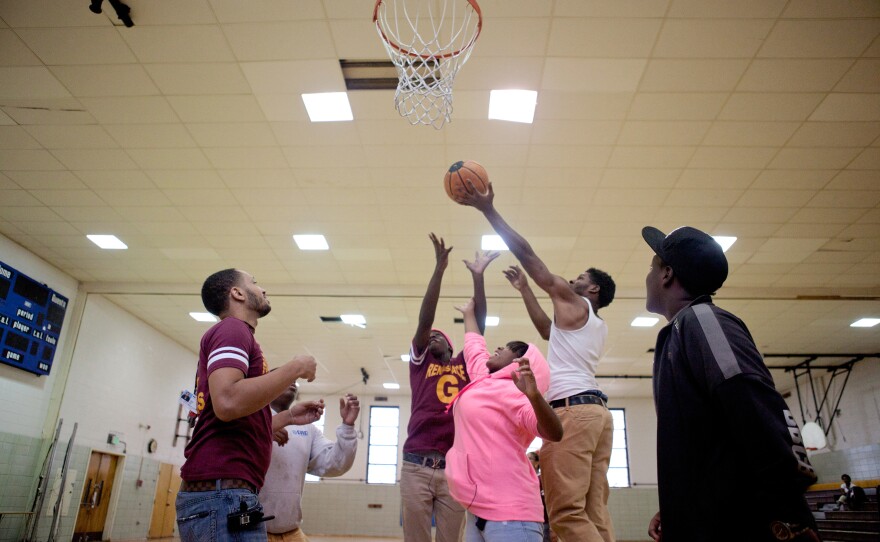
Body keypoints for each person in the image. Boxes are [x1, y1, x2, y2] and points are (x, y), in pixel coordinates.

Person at [459, 182, 617, 542]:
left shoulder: (577, 304)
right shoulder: (594, 325)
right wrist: (525, 291)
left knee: (565, 515)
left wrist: (488, 211)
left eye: (581, 278)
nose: (572, 279)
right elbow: (548, 330)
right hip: (598, 414)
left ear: (592, 291)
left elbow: (532, 260)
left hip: (571, 411)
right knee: (594, 511)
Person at [641, 226, 820, 542]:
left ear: (667, 274)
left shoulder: (704, 322)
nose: (648, 276)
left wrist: (791, 515)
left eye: (651, 267)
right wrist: (677, 507)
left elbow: (757, 406)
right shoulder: (682, 330)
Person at [177, 268, 320, 542]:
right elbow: (228, 402)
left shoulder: (239, 336)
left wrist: (288, 417)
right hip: (222, 493)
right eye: (254, 282)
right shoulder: (233, 328)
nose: (263, 289)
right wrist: (295, 367)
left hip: (226, 493)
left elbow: (233, 418)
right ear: (238, 293)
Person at [401, 234, 497, 542]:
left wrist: (478, 279)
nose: (432, 338)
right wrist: (439, 269)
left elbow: (478, 326)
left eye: (438, 336)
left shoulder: (465, 364)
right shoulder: (420, 365)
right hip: (416, 464)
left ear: (453, 345)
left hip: (455, 468)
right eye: (429, 337)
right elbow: (424, 320)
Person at [445, 292, 563, 542]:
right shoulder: (481, 381)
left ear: (520, 363)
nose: (499, 348)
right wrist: (468, 314)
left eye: (510, 348)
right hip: (477, 510)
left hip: (512, 513)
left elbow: (554, 433)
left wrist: (534, 396)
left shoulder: (516, 395)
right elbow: (474, 346)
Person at [262, 382, 360, 542]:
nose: (291, 380)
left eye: (293, 378)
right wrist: (266, 429)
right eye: (283, 375)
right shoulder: (251, 420)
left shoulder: (307, 429)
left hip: (292, 532)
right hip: (254, 531)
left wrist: (348, 426)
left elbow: (336, 464)